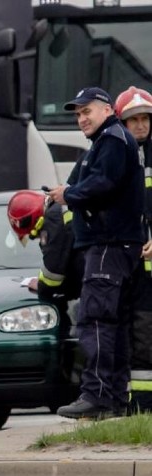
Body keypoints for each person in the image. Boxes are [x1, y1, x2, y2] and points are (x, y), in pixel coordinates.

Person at [47, 87, 146, 419]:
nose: (81, 119)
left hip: (108, 245)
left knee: (97, 321)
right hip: (118, 247)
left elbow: (101, 184)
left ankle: (97, 396)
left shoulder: (113, 140)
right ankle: (113, 398)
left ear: (106, 110)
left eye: (86, 111)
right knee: (113, 324)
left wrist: (68, 194)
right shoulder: (109, 141)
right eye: (77, 114)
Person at [115, 86, 152, 412]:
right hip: (129, 269)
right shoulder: (114, 156)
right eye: (133, 120)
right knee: (133, 338)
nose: (140, 125)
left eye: (144, 118)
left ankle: (143, 406)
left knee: (145, 336)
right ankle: (136, 408)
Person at [7, 189, 84, 306]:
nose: (37, 237)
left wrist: (39, 285)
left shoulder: (53, 220)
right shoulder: (58, 210)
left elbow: (53, 275)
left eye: (33, 234)